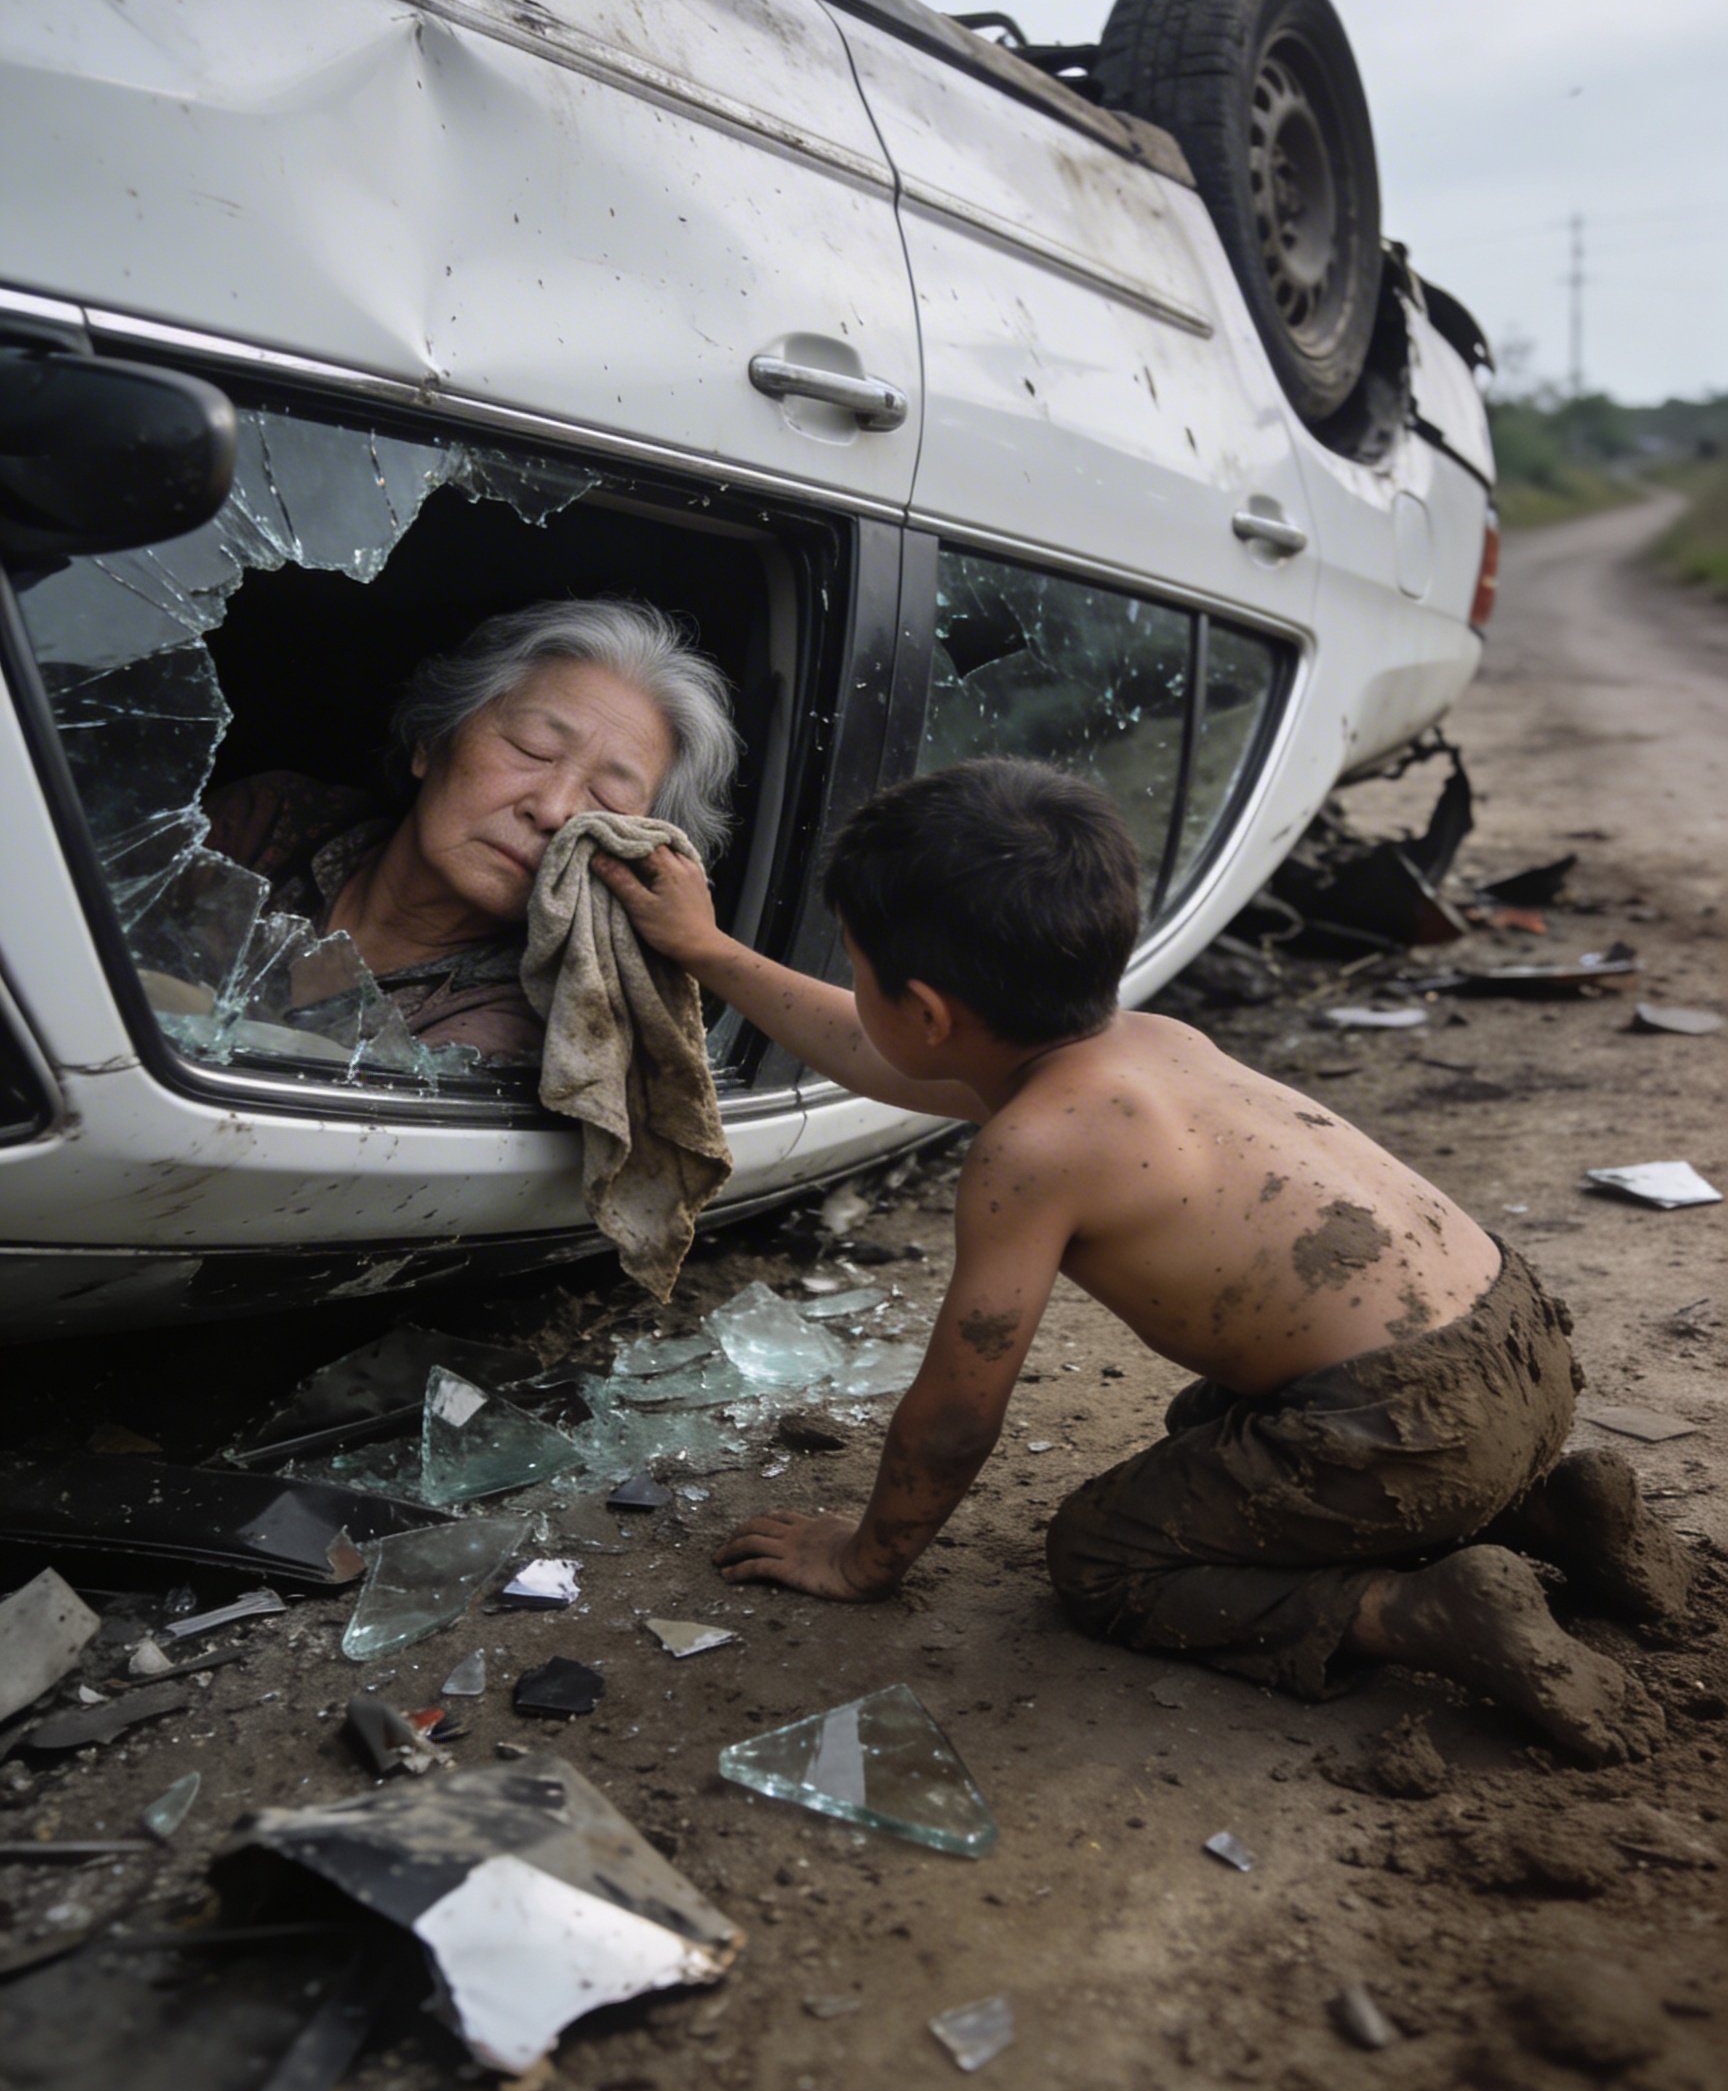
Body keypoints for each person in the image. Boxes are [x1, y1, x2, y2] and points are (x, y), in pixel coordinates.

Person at [597, 755, 1692, 1766]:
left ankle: (1417, 1612)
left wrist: (866, 1557)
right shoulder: (1153, 1044)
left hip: (1402, 1428)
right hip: (1521, 1355)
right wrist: (708, 951)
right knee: (1202, 1429)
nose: (860, 990)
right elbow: (875, 1048)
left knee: (1102, 1560)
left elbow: (958, 1415)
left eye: (860, 966)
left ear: (927, 1011)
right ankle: (1548, 1511)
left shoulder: (1032, 1150)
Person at [204, 599, 739, 1059]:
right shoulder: (272, 820)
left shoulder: (518, 1025)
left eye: (608, 799)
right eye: (532, 748)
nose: (553, 810)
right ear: (432, 741)